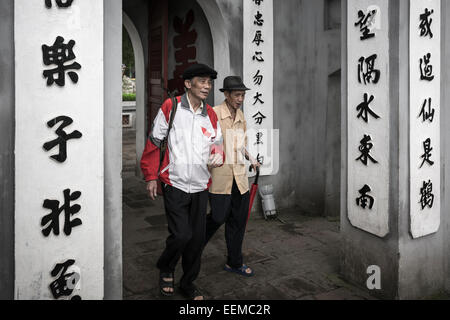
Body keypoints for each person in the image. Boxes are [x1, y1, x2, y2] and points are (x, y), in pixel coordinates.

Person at [140, 63, 224, 300]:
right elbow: (155, 142)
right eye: (202, 81)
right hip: (174, 182)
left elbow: (217, 144)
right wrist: (150, 177)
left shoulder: (212, 114)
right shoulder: (172, 107)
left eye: (209, 82)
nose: (207, 86)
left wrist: (218, 155)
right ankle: (166, 266)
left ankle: (188, 284)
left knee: (196, 240)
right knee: (181, 235)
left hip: (200, 185)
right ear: (188, 84)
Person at [204, 76, 261, 278]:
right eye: (237, 95)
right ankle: (194, 245)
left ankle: (234, 262)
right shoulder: (213, 113)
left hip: (240, 178)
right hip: (220, 178)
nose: (240, 99)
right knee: (218, 217)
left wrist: (251, 158)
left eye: (243, 95)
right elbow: (204, 142)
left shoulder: (241, 116)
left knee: (238, 222)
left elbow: (240, 144)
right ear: (226, 94)